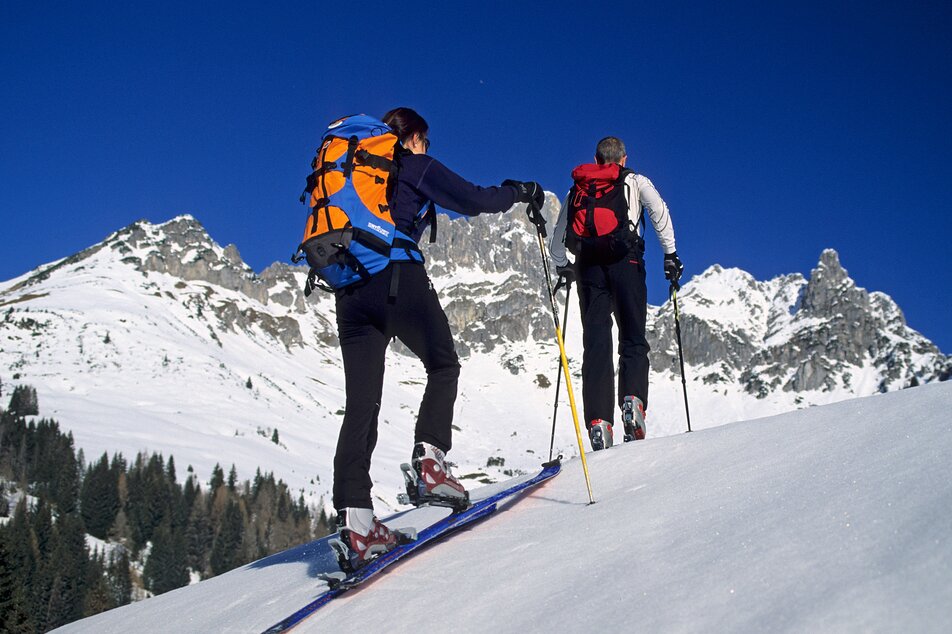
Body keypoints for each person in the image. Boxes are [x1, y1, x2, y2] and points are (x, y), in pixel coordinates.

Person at [332, 107, 544, 567]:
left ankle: (358, 524)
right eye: (426, 141)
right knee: (444, 364)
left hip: (348, 290)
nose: (428, 149)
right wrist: (517, 192)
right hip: (395, 277)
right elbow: (472, 199)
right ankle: (431, 464)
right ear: (413, 139)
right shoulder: (411, 165)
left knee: (362, 405)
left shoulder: (351, 172)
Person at [549, 136, 683, 451]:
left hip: (588, 266)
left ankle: (599, 422)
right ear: (623, 158)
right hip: (627, 261)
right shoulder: (634, 181)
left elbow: (559, 234)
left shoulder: (578, 189)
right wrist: (670, 254)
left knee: (596, 344)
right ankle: (633, 403)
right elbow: (659, 212)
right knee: (633, 337)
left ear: (597, 160)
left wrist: (562, 266)